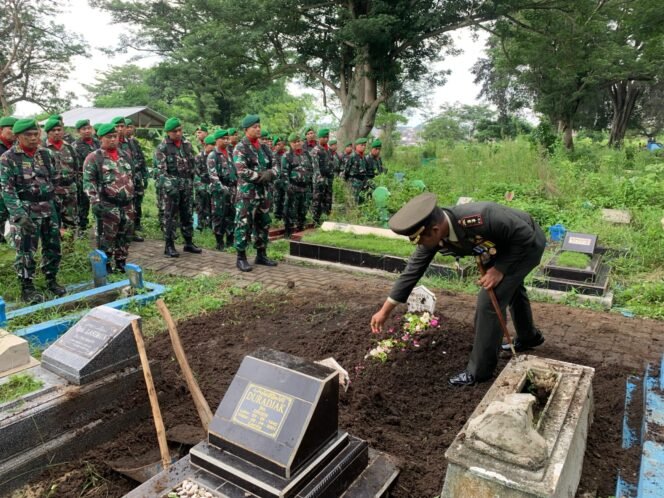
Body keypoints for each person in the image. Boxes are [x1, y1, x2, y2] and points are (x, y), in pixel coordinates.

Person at [370, 193, 546, 387]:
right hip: (502, 247)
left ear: (435, 230)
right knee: (511, 288)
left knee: (490, 300)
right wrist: (385, 310)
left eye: (419, 241)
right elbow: (412, 270)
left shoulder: (483, 217)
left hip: (525, 245)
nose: (420, 246)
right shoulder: (435, 233)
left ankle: (479, 372)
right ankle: (529, 336)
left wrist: (499, 269)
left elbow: (525, 236)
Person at [0, 119, 64, 303]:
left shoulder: (47, 154)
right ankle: (27, 287)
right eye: (28, 135)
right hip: (26, 211)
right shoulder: (8, 158)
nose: (34, 138)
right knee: (26, 250)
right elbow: (7, 189)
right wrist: (18, 215)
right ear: (18, 136)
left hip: (48, 208)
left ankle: (51, 280)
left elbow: (56, 179)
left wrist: (56, 206)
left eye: (36, 134)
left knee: (53, 247)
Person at [83, 123, 136, 274]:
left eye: (115, 136)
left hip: (127, 204)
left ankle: (121, 262)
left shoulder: (125, 155)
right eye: (109, 137)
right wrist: (95, 201)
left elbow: (131, 176)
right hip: (107, 204)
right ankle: (106, 264)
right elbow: (88, 181)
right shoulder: (94, 158)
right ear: (100, 138)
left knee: (125, 234)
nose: (113, 139)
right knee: (107, 237)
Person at [232, 114, 278, 272]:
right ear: (246, 130)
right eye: (255, 127)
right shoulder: (240, 147)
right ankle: (241, 257)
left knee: (263, 223)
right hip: (247, 194)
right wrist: (261, 176)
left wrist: (271, 173)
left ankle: (261, 254)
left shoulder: (264, 147)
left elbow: (277, 165)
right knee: (243, 224)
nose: (258, 129)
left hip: (264, 193)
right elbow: (241, 170)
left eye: (259, 126)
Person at [154, 117, 202, 257]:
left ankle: (188, 242)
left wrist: (195, 180)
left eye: (180, 130)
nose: (178, 133)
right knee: (170, 217)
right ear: (168, 132)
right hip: (171, 189)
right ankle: (169, 246)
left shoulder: (186, 144)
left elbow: (192, 164)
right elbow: (159, 171)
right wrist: (170, 187)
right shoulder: (162, 147)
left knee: (187, 215)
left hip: (186, 185)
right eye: (175, 131)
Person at [43, 117, 79, 230]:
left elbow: (76, 168)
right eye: (53, 130)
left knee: (71, 222)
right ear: (48, 132)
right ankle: (55, 247)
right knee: (52, 224)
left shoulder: (70, 148)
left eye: (59, 129)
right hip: (52, 192)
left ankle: (69, 247)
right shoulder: (42, 149)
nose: (57, 132)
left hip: (70, 191)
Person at [208, 129, 237, 251]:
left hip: (232, 189)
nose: (226, 141)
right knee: (219, 216)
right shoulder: (213, 155)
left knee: (231, 215)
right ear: (217, 140)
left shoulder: (230, 153)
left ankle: (230, 241)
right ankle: (219, 242)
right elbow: (213, 175)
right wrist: (222, 188)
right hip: (219, 191)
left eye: (227, 138)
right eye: (223, 139)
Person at [282, 132, 313, 237]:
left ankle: (300, 231)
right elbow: (284, 173)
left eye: (299, 141)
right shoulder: (287, 155)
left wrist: (310, 186)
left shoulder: (307, 154)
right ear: (290, 143)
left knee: (303, 211)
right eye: (295, 142)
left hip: (305, 189)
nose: (297, 143)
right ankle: (288, 232)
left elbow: (311, 170)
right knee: (290, 212)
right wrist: (288, 187)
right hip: (293, 188)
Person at [72, 119, 98, 230]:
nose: (87, 131)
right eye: (84, 129)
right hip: (82, 180)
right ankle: (82, 228)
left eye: (88, 128)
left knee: (100, 204)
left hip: (99, 179)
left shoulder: (98, 143)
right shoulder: (75, 146)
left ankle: (101, 228)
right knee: (83, 206)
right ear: (79, 132)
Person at [125, 118, 148, 234]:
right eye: (127, 127)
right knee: (129, 202)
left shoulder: (134, 142)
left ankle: (137, 224)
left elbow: (141, 159)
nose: (129, 129)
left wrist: (145, 174)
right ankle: (129, 228)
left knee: (138, 201)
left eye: (130, 127)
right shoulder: (119, 143)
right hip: (125, 178)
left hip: (137, 176)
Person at [310, 128, 334, 225]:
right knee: (317, 201)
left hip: (328, 179)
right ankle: (315, 220)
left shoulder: (328, 150)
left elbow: (331, 165)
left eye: (327, 137)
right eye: (324, 137)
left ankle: (326, 220)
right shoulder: (316, 150)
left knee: (327, 200)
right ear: (319, 138)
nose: (326, 139)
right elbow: (316, 167)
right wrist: (320, 179)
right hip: (319, 180)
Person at [0, 116, 18, 244]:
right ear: (1, 129)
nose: (13, 132)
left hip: (13, 189)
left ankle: (15, 243)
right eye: (10, 129)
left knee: (15, 217)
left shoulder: (17, 147)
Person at [194, 134, 215, 231]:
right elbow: (196, 174)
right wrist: (203, 187)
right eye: (212, 145)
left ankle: (210, 225)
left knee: (211, 206)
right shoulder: (198, 157)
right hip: (201, 185)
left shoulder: (215, 157)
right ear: (205, 145)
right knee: (200, 205)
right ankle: (200, 225)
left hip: (212, 184)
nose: (214, 147)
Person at [344, 137, 373, 204]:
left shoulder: (363, 157)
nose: (363, 147)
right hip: (353, 182)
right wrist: (347, 182)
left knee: (361, 200)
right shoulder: (352, 156)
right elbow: (346, 170)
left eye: (364, 145)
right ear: (356, 146)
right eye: (361, 145)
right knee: (353, 201)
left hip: (362, 182)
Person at [271, 135, 287, 220]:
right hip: (277, 182)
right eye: (277, 144)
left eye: (281, 144)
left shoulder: (287, 154)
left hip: (286, 181)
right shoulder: (273, 155)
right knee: (277, 200)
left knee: (286, 200)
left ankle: (285, 217)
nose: (279, 145)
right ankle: (277, 218)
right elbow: (276, 169)